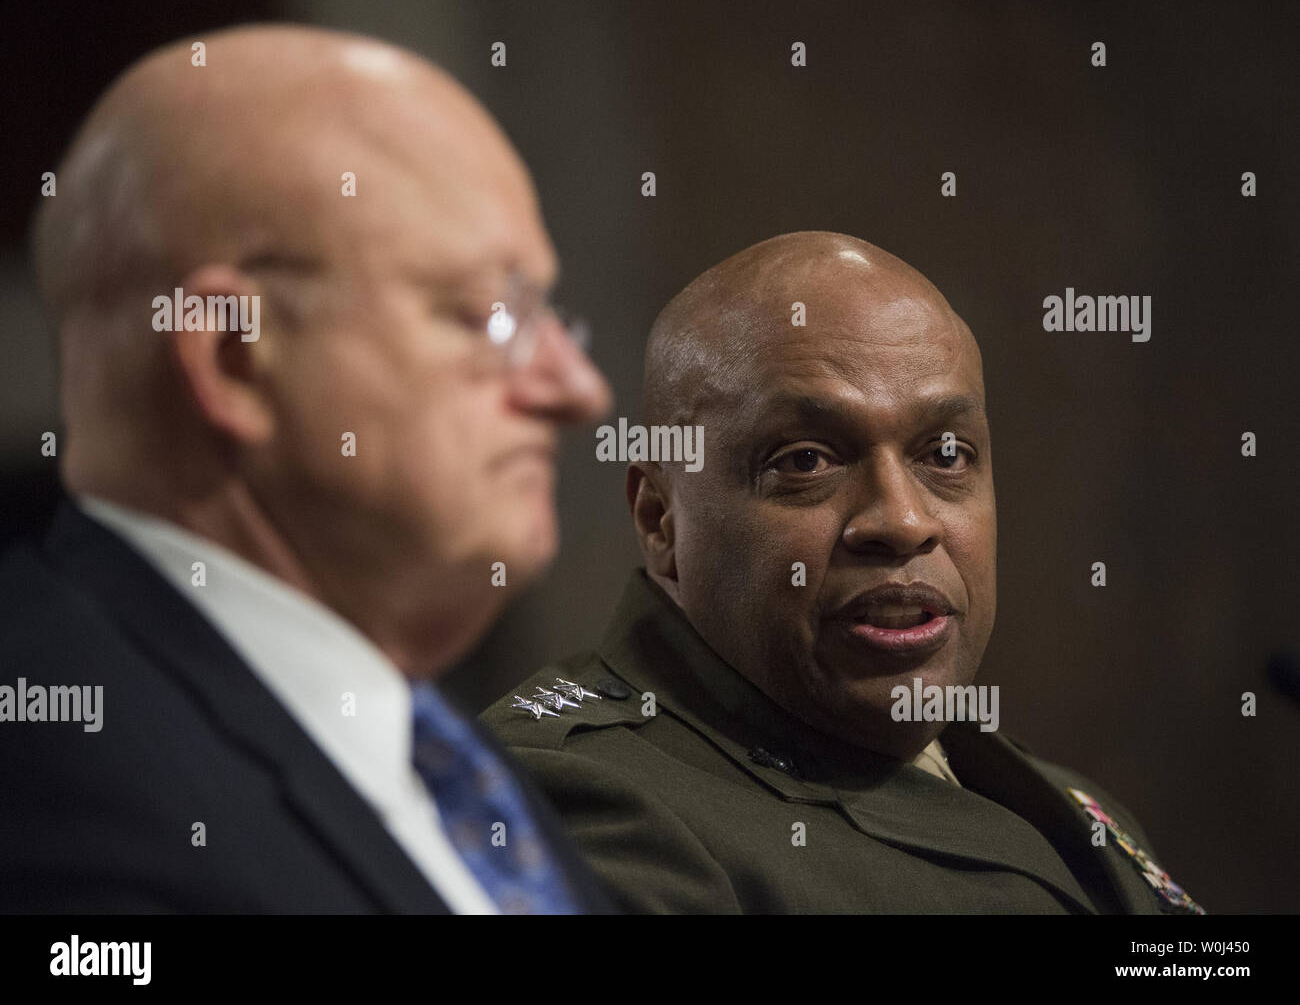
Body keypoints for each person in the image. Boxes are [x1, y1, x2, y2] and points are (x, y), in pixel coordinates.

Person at [0, 24, 613, 914]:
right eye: (492, 312)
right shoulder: (48, 761)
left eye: (550, 312)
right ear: (234, 356)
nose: (578, 388)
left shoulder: (450, 761)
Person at [482, 231, 1205, 915]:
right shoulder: (573, 804)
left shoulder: (1048, 793)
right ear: (660, 520)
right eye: (805, 461)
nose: (902, 520)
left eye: (946, 454)